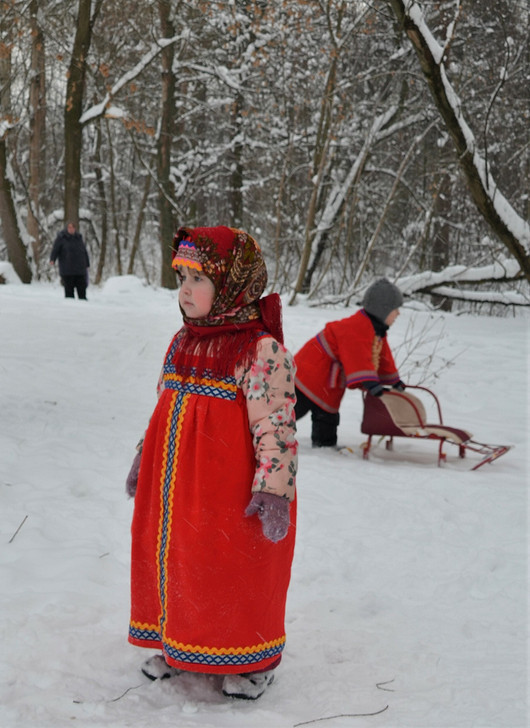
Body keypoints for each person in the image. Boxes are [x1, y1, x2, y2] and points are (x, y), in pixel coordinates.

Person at [126, 226, 298, 701]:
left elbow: (276, 428)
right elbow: (164, 405)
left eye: (198, 278)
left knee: (231, 567)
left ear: (230, 282)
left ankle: (252, 656)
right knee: (180, 563)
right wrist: (145, 453)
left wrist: (273, 489)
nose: (184, 289)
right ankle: (178, 641)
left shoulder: (260, 351)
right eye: (181, 276)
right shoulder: (184, 341)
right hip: (174, 487)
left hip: (230, 490)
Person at [294, 277, 405, 448]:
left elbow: (383, 358)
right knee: (293, 409)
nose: (398, 314)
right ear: (382, 310)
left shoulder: (376, 331)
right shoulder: (356, 327)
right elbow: (357, 356)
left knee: (327, 412)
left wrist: (393, 380)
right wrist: (370, 382)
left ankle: (324, 445)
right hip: (310, 371)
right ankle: (265, 435)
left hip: (327, 378)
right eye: (395, 309)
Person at [49, 221, 90, 299]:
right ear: (66, 228)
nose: (71, 229)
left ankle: (83, 305)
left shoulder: (79, 238)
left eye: (72, 227)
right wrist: (52, 259)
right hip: (67, 268)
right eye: (69, 227)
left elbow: (84, 252)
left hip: (80, 269)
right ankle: (70, 306)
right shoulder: (61, 238)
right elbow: (55, 250)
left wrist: (87, 264)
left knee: (82, 290)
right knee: (69, 292)